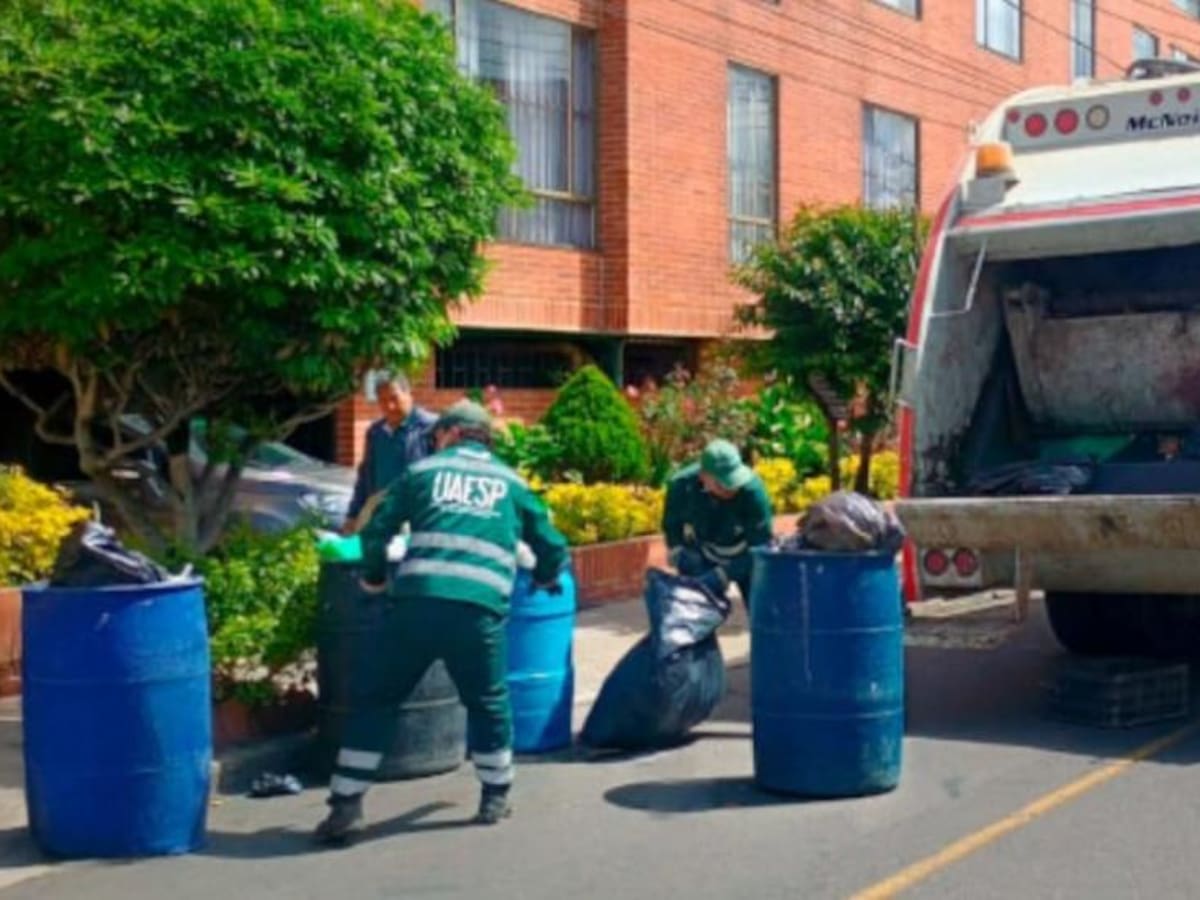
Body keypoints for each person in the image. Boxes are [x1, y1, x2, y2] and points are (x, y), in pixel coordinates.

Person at [315, 399, 569, 846]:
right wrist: (546, 576)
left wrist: (374, 577)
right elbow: (551, 544)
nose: (435, 442)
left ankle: (346, 804)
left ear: (450, 433)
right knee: (488, 702)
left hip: (415, 607)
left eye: (436, 437)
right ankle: (494, 795)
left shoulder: (421, 472)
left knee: (376, 700)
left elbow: (376, 531)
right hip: (478, 613)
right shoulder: (511, 482)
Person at [662, 439, 773, 606]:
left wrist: (726, 574)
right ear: (704, 476)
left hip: (745, 553)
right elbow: (672, 526)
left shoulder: (753, 491)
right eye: (723, 484)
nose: (731, 489)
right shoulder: (682, 486)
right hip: (704, 550)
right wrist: (679, 552)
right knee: (696, 609)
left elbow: (761, 546)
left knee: (761, 607)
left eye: (735, 482)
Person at [342, 372, 437, 535]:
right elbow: (365, 476)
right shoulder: (376, 432)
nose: (390, 406)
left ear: (409, 393)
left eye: (394, 398)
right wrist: (353, 514)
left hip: (416, 513)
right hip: (381, 512)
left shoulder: (430, 428)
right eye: (383, 401)